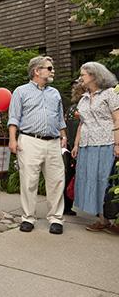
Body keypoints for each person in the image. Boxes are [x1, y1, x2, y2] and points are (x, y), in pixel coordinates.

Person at [8, 56, 67, 235]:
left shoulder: (54, 93)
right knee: (28, 181)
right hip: (29, 140)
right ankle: (28, 217)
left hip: (54, 142)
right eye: (49, 68)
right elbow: (14, 117)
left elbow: (60, 118)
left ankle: (56, 219)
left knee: (56, 181)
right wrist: (13, 139)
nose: (52, 71)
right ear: (37, 71)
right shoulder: (21, 91)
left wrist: (64, 135)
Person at [71, 62, 119, 232]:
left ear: (94, 75)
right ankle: (102, 219)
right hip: (86, 145)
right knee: (90, 180)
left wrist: (118, 143)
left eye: (83, 74)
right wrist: (76, 144)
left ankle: (114, 220)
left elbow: (117, 119)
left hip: (105, 143)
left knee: (106, 180)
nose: (80, 78)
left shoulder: (110, 94)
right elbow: (82, 124)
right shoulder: (83, 98)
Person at [63, 80, 86, 215]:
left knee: (69, 175)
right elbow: (77, 128)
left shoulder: (71, 108)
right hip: (77, 147)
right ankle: (66, 206)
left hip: (70, 146)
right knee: (71, 176)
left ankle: (66, 206)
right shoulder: (80, 109)